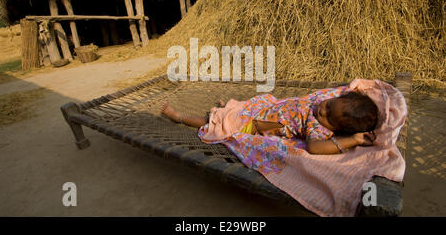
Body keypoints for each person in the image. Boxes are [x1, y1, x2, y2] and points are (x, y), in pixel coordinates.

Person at [160, 89, 379, 155]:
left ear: (337, 128)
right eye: (329, 105)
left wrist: (352, 140)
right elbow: (345, 92)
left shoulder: (318, 128)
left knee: (216, 123)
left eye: (329, 116)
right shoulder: (324, 102)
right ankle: (226, 107)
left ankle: (179, 117)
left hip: (257, 124)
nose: (323, 110)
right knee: (237, 108)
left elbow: (315, 147)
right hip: (265, 107)